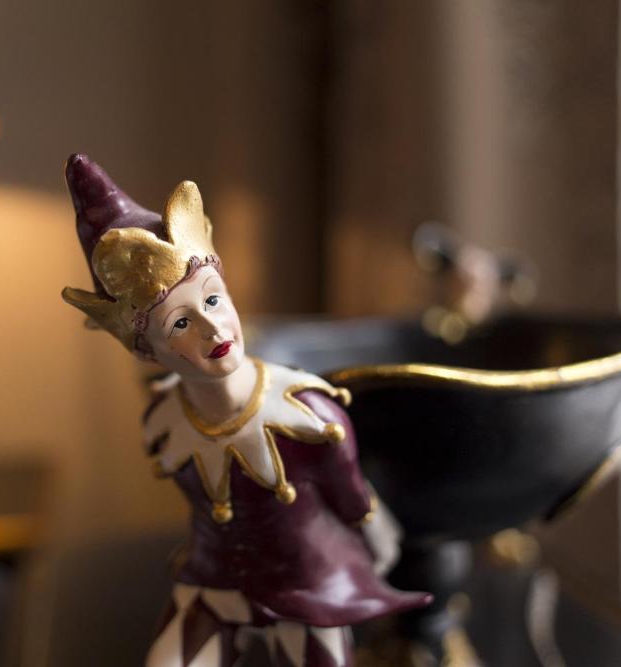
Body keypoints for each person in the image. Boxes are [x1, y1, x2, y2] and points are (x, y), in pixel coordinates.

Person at [61, 154, 431, 667]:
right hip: (216, 582)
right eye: (179, 324)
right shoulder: (165, 422)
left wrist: (374, 529)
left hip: (303, 583)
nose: (212, 329)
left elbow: (349, 491)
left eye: (213, 301)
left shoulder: (304, 414)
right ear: (147, 351)